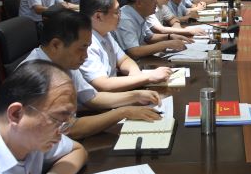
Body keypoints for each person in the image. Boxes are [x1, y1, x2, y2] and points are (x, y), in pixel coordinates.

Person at [21, 9, 164, 139]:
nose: (86, 55)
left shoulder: (65, 61)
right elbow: (70, 129)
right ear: (56, 45)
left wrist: (135, 96)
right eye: (82, 48)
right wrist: (123, 112)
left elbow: (91, 98)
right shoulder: (35, 76)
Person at [79, 0, 174, 92]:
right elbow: (103, 84)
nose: (120, 15)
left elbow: (124, 60)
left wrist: (136, 74)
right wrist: (147, 77)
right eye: (116, 12)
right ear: (98, 17)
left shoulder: (105, 33)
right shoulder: (85, 43)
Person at [113, 0, 189, 59]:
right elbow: (134, 51)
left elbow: (149, 37)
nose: (156, 1)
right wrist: (166, 44)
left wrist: (169, 36)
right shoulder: (125, 19)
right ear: (139, 3)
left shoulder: (140, 14)